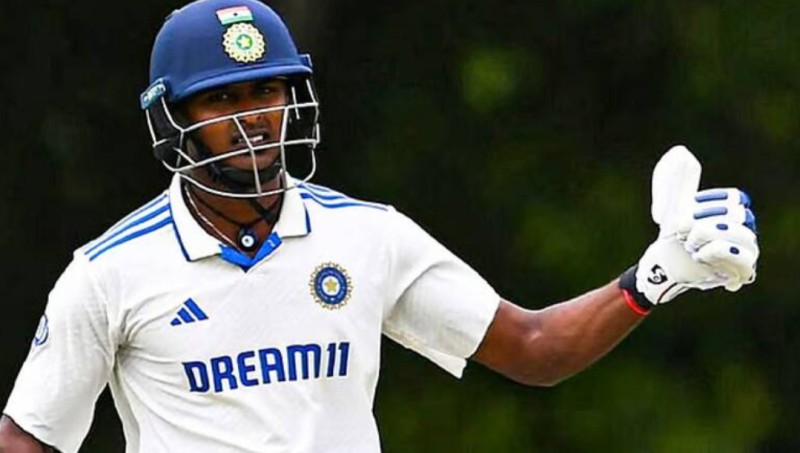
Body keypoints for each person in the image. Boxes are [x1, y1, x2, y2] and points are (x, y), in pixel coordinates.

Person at [0, 0, 760, 452]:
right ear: (174, 119)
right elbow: (27, 436)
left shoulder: (367, 238)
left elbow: (535, 348)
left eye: (267, 91)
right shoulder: (109, 273)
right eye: (222, 100)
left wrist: (656, 274)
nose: (254, 117)